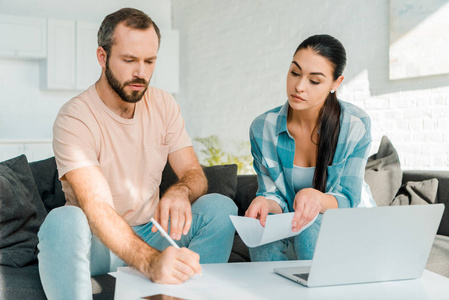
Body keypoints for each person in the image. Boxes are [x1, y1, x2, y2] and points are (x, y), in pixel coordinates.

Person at [37, 7, 237, 299]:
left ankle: (188, 293)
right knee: (64, 221)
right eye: (129, 60)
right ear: (102, 57)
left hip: (152, 232)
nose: (141, 73)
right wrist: (151, 261)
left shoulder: (163, 104)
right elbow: (96, 207)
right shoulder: (75, 117)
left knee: (220, 209)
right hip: (97, 242)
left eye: (149, 61)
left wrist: (180, 191)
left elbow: (194, 174)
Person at [245, 34, 376, 262]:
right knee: (261, 243)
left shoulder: (354, 125)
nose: (299, 86)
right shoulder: (262, 128)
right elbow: (272, 193)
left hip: (348, 222)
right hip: (293, 223)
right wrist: (264, 203)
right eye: (295, 73)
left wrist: (317, 199)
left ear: (336, 83)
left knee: (311, 231)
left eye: (314, 81)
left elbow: (348, 198)